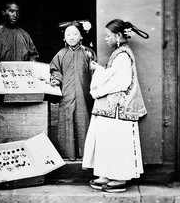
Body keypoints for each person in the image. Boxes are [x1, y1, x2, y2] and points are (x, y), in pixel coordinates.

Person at [82, 19, 149, 193]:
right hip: (111, 107)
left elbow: (121, 82)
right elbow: (112, 75)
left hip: (119, 107)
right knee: (106, 140)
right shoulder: (118, 53)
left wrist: (98, 90)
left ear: (118, 36)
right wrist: (99, 70)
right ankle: (106, 173)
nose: (105, 39)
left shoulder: (123, 55)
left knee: (118, 141)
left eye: (108, 36)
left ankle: (119, 177)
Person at [50, 20, 96, 160]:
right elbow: (55, 70)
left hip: (84, 94)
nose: (71, 37)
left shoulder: (88, 53)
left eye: (75, 34)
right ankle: (68, 154)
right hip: (67, 94)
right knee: (66, 120)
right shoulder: (60, 54)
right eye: (68, 34)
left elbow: (94, 72)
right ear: (64, 38)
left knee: (84, 119)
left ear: (81, 36)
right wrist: (56, 79)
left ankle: (85, 155)